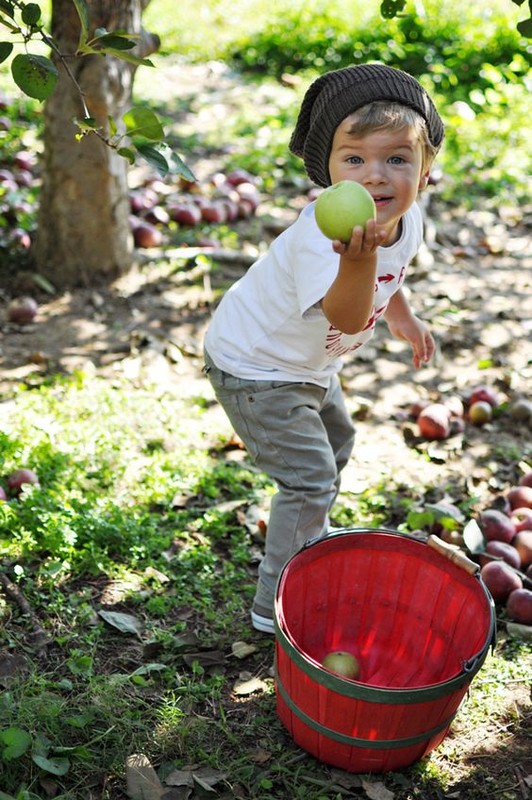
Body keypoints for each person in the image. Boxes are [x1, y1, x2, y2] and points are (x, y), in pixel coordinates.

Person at [203, 63, 444, 634]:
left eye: (397, 159)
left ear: (425, 170)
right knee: (309, 478)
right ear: (328, 171)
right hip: (256, 368)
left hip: (309, 363)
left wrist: (403, 318)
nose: (375, 177)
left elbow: (394, 271)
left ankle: (306, 532)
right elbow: (346, 311)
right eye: (354, 159)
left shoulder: (403, 221)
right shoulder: (326, 237)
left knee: (338, 440)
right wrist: (354, 262)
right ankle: (273, 606)